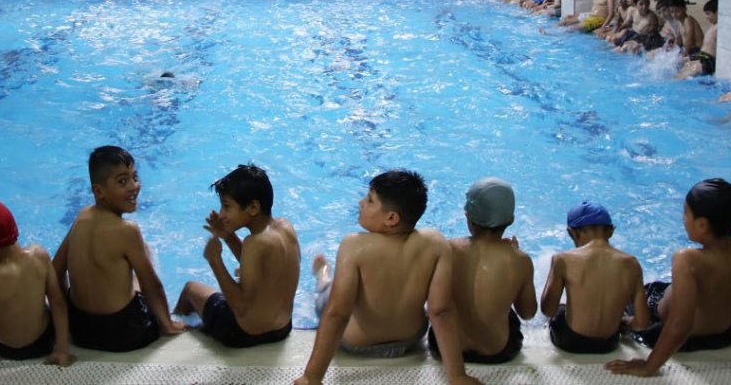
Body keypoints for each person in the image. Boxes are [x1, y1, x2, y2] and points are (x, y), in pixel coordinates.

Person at [293, 170, 482, 385]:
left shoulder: (354, 245)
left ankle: (322, 276)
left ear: (391, 218)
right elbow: (440, 310)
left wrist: (312, 377)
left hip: (357, 344)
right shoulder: (436, 243)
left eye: (370, 200)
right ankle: (324, 276)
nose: (361, 202)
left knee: (328, 293)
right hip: (410, 340)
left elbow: (337, 314)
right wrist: (458, 376)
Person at [607, 179, 731, 381]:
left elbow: (681, 324)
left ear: (702, 224)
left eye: (685, 213)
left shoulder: (687, 259)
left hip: (672, 332)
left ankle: (628, 321)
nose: (683, 218)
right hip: (723, 336)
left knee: (625, 297)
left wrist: (649, 366)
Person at [51, 146, 185, 353]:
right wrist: (167, 324)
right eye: (122, 181)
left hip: (80, 330)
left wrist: (66, 313)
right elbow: (152, 286)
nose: (134, 187)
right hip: (123, 334)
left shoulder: (81, 216)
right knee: (146, 252)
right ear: (99, 191)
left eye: (135, 177)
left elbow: (55, 270)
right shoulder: (127, 231)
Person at [174, 165, 300, 348]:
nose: (222, 214)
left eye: (226, 206)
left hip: (242, 334)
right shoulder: (285, 228)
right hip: (282, 329)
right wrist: (228, 236)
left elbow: (240, 306)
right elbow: (259, 270)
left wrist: (215, 261)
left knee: (189, 289)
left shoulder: (254, 242)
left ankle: (172, 327)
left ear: (253, 207)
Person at [0, 199, 73, 366]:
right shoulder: (40, 256)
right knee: (48, 305)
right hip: (43, 344)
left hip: (5, 349)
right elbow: (58, 303)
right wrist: (62, 350)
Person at [439, 178, 537, 364]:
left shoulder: (447, 248)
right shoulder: (520, 260)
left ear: (468, 217)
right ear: (511, 220)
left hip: (444, 347)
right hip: (497, 352)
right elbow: (527, 313)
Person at [541, 201, 649, 354]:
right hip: (608, 344)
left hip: (570, 341)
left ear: (571, 232)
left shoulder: (563, 259)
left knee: (560, 309)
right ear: (611, 231)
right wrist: (622, 321)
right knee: (623, 309)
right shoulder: (631, 263)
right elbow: (642, 323)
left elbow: (548, 310)